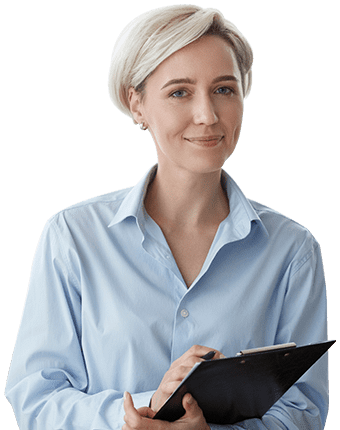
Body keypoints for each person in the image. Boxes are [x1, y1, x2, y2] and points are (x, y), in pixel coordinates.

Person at [5, 4, 329, 430]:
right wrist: (143, 408)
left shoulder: (292, 250)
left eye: (224, 90)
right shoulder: (72, 237)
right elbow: (37, 399)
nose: (208, 116)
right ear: (135, 103)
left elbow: (304, 411)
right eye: (179, 92)